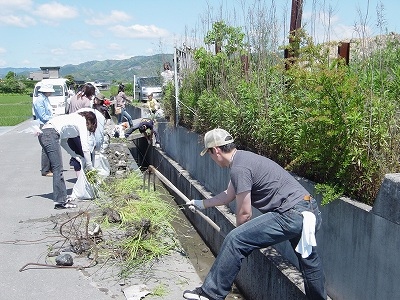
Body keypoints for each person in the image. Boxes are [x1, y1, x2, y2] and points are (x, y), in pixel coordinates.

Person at [183, 128, 326, 300]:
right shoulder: (243, 159)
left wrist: (240, 238)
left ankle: (210, 293)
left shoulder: (239, 168)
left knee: (234, 240)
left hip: (291, 213)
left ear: (216, 150)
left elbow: (244, 213)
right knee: (309, 262)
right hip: (309, 211)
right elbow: (228, 196)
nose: (212, 158)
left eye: (210, 154)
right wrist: (201, 204)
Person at [38, 111, 97, 209]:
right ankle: (60, 202)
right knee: (58, 169)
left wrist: (74, 155)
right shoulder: (81, 121)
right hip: (50, 134)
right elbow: (85, 148)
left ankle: (61, 198)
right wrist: (90, 165)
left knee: (57, 168)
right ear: (89, 121)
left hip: (44, 133)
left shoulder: (72, 120)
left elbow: (64, 142)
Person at [32, 83, 54, 177]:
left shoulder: (45, 99)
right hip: (43, 125)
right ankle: (45, 170)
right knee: (46, 148)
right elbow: (43, 116)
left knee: (48, 147)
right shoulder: (40, 101)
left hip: (46, 124)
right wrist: (53, 117)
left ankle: (49, 168)